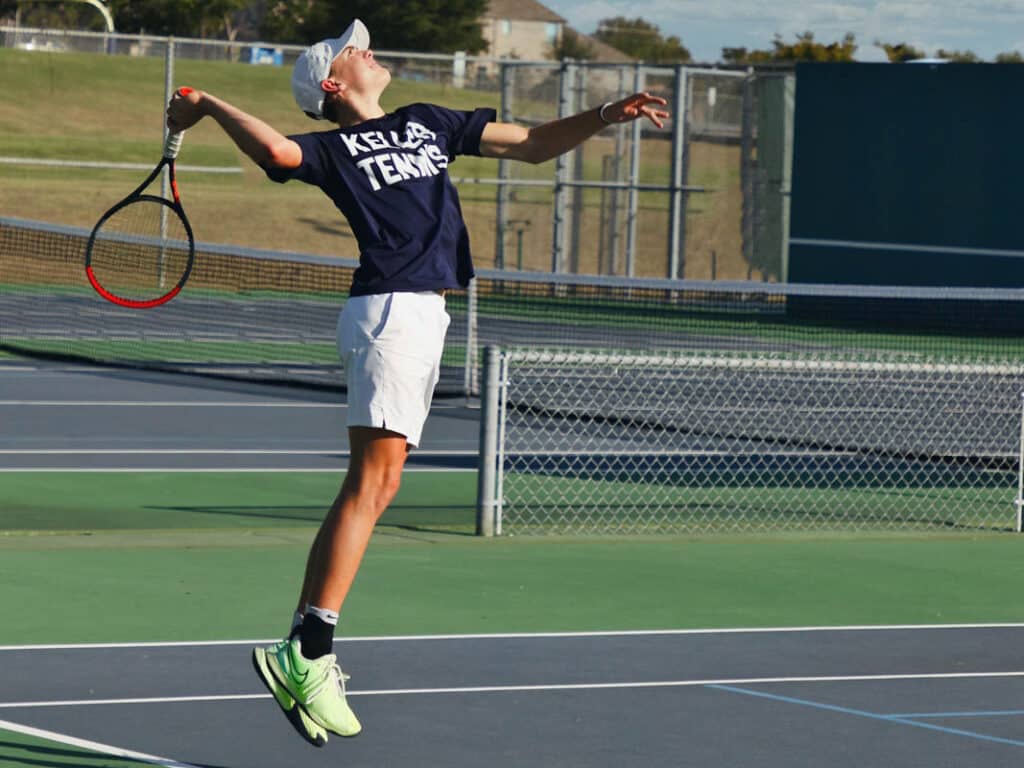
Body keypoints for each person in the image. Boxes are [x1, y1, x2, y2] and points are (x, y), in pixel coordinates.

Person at [166, 18, 669, 748]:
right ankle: (306, 651)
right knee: (373, 483)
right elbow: (276, 150)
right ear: (333, 84)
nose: (367, 48)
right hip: (390, 309)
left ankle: (305, 647)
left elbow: (529, 145)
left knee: (379, 483)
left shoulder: (427, 122)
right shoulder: (330, 148)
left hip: (425, 313)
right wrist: (209, 104)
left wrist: (603, 115)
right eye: (350, 49)